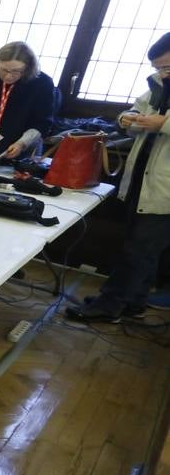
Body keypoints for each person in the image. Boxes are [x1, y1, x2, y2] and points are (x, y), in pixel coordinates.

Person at [67, 32, 170, 324]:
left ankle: (110, 305)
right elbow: (136, 110)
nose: (162, 73)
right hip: (142, 178)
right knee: (139, 247)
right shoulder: (158, 86)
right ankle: (132, 303)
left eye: (167, 67)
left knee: (140, 249)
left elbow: (160, 123)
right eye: (158, 68)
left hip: (164, 187)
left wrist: (163, 123)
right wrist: (128, 118)